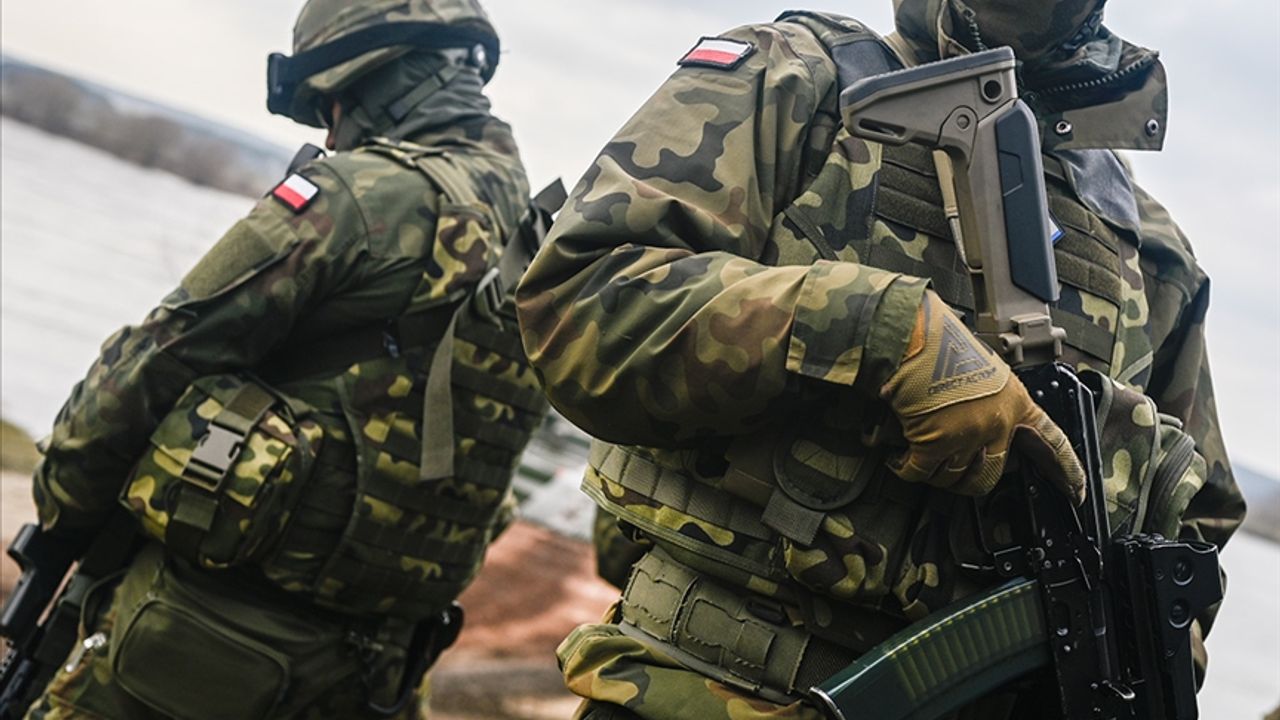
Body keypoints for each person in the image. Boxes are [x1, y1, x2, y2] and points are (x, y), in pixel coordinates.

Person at [517, 1, 1246, 718]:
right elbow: (582, 303)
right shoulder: (800, 80)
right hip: (706, 686)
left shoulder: (1150, 251)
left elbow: (1197, 525)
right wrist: (880, 333)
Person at [25, 1, 547, 718]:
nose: (330, 134)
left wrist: (63, 517)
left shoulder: (357, 196)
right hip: (384, 673)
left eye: (331, 106)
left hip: (205, 646)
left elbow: (152, 364)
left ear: (372, 79)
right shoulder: (537, 235)